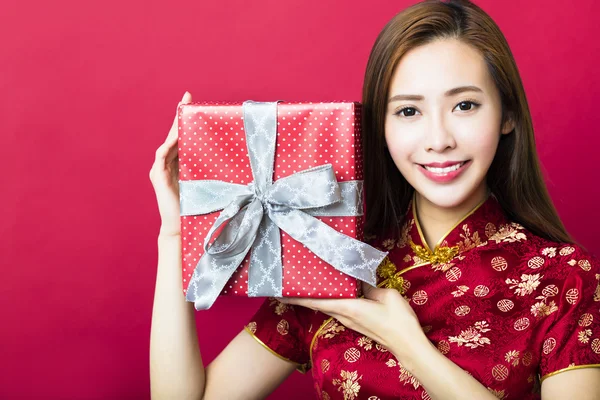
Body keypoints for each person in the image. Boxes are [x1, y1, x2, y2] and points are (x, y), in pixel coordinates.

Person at [149, 0, 600, 398]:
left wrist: (406, 342)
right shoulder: (333, 257)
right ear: (379, 129)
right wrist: (174, 236)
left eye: (464, 105)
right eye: (408, 111)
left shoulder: (565, 279)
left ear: (507, 115)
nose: (438, 139)